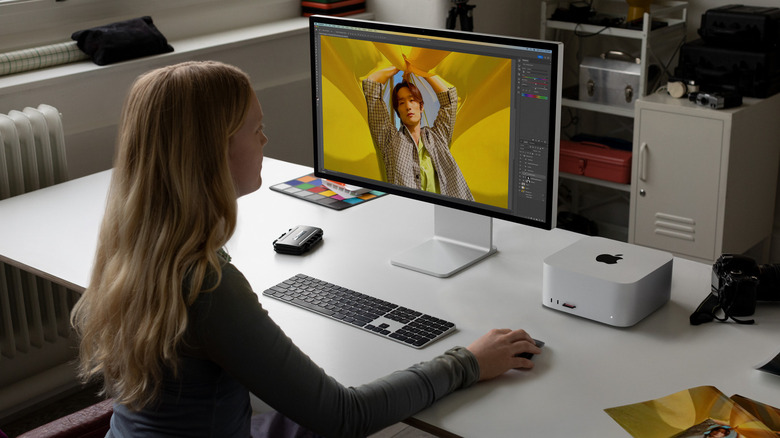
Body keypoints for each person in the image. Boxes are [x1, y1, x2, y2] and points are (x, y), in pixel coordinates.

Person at [70, 61, 541, 438]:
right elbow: (343, 416)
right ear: (212, 151)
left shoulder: (134, 246)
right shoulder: (206, 284)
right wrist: (469, 362)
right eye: (255, 128)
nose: (265, 139)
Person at [363, 60, 474, 201]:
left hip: (449, 212)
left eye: (412, 100)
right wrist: (399, 66)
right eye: (401, 103)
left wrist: (420, 71)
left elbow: (450, 99)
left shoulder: (438, 136)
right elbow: (372, 84)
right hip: (409, 214)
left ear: (421, 107)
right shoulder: (389, 139)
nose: (408, 107)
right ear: (398, 112)